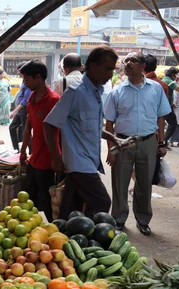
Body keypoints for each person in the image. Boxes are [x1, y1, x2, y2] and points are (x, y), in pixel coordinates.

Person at [44, 46, 123, 219]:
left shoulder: (96, 92)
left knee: (72, 205)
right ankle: (90, 236)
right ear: (93, 66)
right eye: (108, 68)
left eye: (113, 69)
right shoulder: (75, 92)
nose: (111, 74)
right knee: (102, 201)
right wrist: (56, 158)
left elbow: (90, 126)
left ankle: (66, 236)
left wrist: (111, 137)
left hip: (89, 159)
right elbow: (49, 125)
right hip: (78, 162)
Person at [104, 52, 171, 235]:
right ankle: (118, 218)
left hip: (148, 141)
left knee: (144, 183)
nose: (128, 63)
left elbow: (161, 117)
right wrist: (112, 149)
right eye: (126, 60)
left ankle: (143, 220)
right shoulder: (116, 91)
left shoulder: (155, 89)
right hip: (123, 142)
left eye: (133, 60)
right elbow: (109, 123)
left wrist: (161, 142)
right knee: (120, 183)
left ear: (143, 66)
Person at [19, 60, 61, 216]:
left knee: (47, 198)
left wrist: (57, 159)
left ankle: (53, 230)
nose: (24, 83)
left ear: (38, 77)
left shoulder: (54, 100)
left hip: (49, 159)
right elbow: (28, 127)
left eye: (27, 79)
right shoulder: (32, 98)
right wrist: (23, 151)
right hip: (34, 157)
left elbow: (61, 133)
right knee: (30, 196)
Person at [9, 62, 31, 151]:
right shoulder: (23, 80)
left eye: (18, 71)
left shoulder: (29, 81)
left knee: (26, 132)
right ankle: (16, 150)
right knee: (12, 127)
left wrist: (14, 111)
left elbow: (26, 100)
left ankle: (31, 151)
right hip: (20, 109)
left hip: (25, 109)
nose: (18, 73)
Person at [162, 67, 179, 147]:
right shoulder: (168, 81)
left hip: (166, 105)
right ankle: (164, 141)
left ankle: (164, 142)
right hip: (166, 106)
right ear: (173, 75)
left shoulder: (165, 79)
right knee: (173, 123)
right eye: (176, 75)